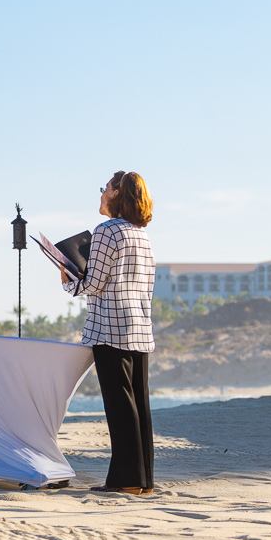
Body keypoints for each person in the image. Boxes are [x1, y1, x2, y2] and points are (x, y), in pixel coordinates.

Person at [62, 171, 156, 495]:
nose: (102, 194)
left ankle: (126, 480)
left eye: (106, 188)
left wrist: (66, 277)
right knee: (139, 405)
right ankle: (143, 480)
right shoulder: (141, 234)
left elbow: (93, 284)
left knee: (119, 406)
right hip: (139, 327)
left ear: (116, 193)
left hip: (110, 328)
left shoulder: (107, 231)